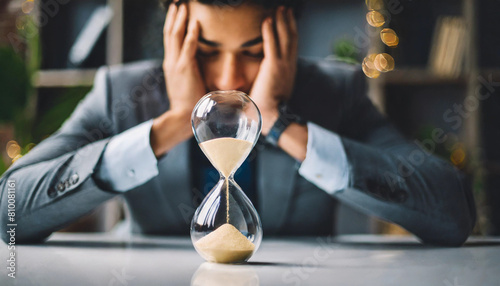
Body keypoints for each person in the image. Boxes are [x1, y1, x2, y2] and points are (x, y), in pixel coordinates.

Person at [0, 0, 476, 246]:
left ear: (287, 34)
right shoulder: (123, 93)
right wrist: (171, 123)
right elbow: (11, 210)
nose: (229, 78)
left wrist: (276, 122)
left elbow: (451, 213)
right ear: (175, 30)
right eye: (206, 52)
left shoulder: (332, 92)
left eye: (253, 53)